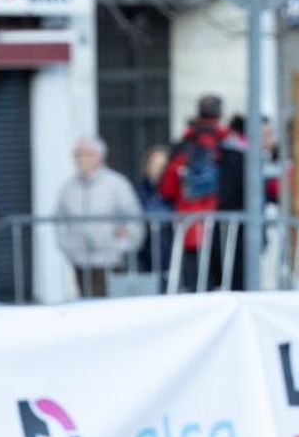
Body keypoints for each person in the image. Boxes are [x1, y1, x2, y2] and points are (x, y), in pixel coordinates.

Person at [54, 137, 144, 299]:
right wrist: (69, 249)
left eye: (86, 154)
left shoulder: (117, 184)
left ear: (99, 156)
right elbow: (61, 222)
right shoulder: (68, 188)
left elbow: (133, 219)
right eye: (78, 155)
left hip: (110, 262)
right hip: (80, 261)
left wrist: (121, 247)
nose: (81, 159)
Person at [160, 95, 233, 289]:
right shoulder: (229, 144)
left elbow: (167, 187)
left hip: (189, 227)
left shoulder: (184, 144)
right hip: (224, 229)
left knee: (195, 290)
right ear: (220, 114)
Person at [136, 144, 174, 279]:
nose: (159, 169)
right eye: (155, 164)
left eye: (163, 165)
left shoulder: (175, 192)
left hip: (171, 256)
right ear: (147, 166)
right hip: (146, 256)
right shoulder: (139, 192)